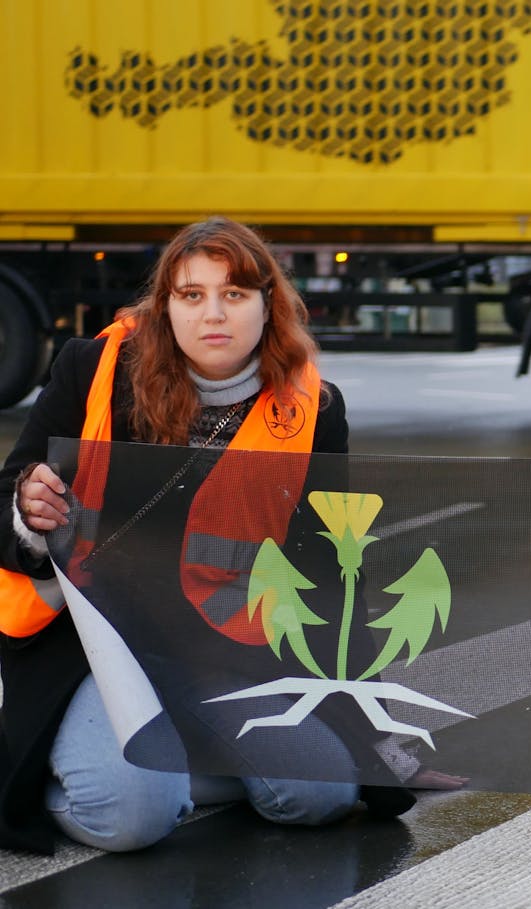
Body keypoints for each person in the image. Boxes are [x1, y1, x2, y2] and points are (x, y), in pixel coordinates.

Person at [0, 216, 413, 853]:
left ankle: (172, 759)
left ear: (267, 305)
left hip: (220, 650)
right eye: (191, 295)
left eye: (235, 294)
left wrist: (370, 727)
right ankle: (64, 775)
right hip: (97, 649)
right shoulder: (93, 371)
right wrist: (29, 512)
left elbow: (330, 569)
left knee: (321, 796)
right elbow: (9, 495)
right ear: (166, 305)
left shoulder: (313, 410)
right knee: (129, 820)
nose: (213, 315)